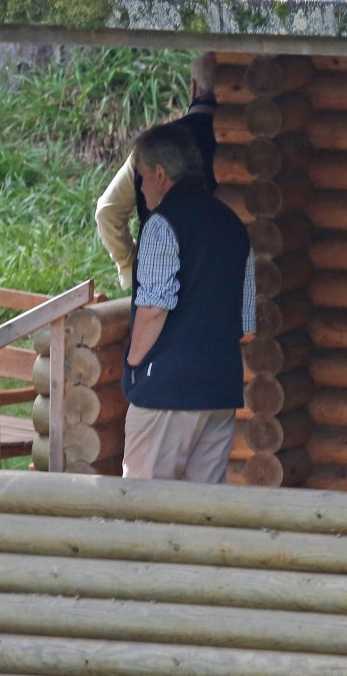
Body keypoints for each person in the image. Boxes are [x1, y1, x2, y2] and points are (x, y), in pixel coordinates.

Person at [120, 121, 256, 483]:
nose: (141, 187)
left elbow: (153, 308)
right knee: (203, 514)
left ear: (160, 174)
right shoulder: (233, 225)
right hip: (219, 390)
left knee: (142, 509)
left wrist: (134, 362)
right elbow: (244, 320)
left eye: (142, 177)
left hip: (165, 391)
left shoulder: (162, 224)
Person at [95, 53, 218, 291]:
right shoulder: (249, 150)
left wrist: (131, 266)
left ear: (192, 89)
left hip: (155, 290)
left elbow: (107, 212)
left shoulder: (153, 145)